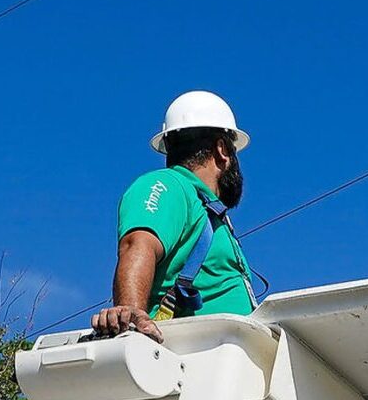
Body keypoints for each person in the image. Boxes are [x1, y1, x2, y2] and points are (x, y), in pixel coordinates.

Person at [90, 91, 255, 341]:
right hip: (190, 360)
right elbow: (138, 244)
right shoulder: (167, 185)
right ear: (222, 149)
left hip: (228, 360)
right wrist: (132, 313)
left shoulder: (207, 211)